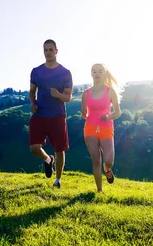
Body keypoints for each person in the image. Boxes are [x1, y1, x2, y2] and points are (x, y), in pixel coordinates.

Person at [29, 39, 73, 188]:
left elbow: (68, 97)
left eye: (50, 50)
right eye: (45, 50)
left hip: (57, 115)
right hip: (39, 115)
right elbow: (32, 92)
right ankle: (48, 160)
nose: (48, 53)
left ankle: (58, 180)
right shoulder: (36, 71)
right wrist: (33, 103)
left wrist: (58, 95)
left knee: (59, 149)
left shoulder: (65, 73)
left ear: (56, 51)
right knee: (34, 147)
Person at [81, 63, 122, 192]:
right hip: (90, 128)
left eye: (100, 71)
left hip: (106, 128)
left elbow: (118, 112)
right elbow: (83, 114)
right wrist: (84, 113)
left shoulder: (110, 91)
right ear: (91, 73)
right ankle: (99, 190)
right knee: (96, 160)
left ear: (104, 73)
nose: (97, 74)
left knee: (109, 160)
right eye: (94, 71)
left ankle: (107, 169)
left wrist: (108, 117)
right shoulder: (86, 94)